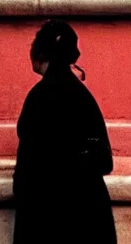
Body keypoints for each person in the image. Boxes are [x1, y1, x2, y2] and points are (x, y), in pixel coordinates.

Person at [13, 19, 117, 244]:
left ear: (40, 55)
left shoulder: (37, 99)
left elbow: (25, 173)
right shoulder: (84, 98)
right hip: (89, 219)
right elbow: (104, 161)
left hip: (44, 221)